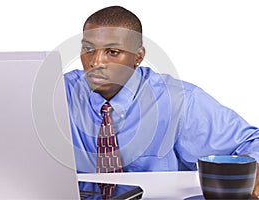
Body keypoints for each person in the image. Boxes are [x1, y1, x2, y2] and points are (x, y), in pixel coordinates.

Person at [63, 6, 259, 197]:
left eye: (112, 52)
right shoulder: (58, 94)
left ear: (138, 57)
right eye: (88, 49)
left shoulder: (178, 100)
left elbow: (251, 143)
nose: (96, 62)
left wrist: (252, 167)